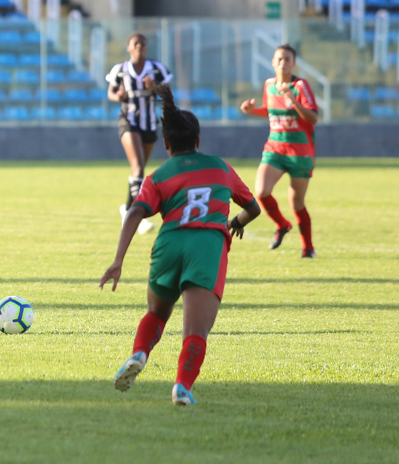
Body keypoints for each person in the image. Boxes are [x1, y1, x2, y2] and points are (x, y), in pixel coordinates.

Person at [99, 85, 260, 406]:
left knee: (157, 314)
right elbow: (253, 208)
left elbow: (135, 212)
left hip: (169, 243)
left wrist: (118, 260)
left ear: (167, 144)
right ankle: (182, 387)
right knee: (195, 332)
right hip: (206, 246)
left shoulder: (159, 175)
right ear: (198, 141)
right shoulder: (221, 167)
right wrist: (236, 223)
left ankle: (139, 353)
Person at [240, 44, 318, 258]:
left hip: (299, 151)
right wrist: (251, 110)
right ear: (273, 62)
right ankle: (282, 225)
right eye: (279, 59)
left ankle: (307, 248)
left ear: (294, 63)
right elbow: (270, 110)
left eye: (287, 59)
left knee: (297, 202)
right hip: (274, 147)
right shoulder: (269, 85)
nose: (283, 63)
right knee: (261, 192)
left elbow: (313, 117)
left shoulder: (300, 86)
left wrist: (295, 103)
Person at [106, 33, 173, 234]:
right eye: (135, 44)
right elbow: (110, 92)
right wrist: (118, 96)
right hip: (128, 121)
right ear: (128, 47)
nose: (139, 48)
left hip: (149, 123)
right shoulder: (120, 69)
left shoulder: (156, 68)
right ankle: (138, 216)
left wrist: (155, 88)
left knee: (140, 169)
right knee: (137, 168)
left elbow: (167, 92)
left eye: (142, 44)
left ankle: (126, 209)